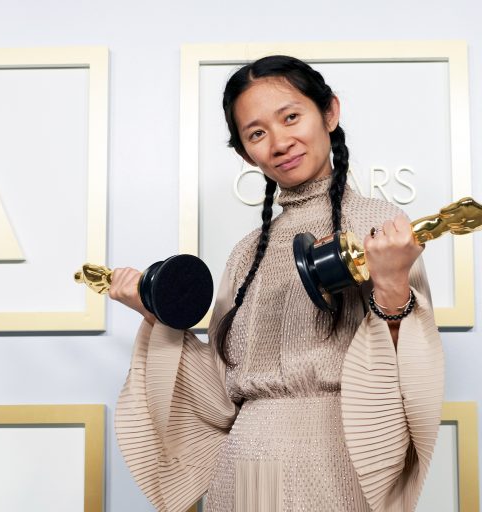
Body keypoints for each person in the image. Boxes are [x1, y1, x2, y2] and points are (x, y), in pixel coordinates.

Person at [110, 56, 445, 512]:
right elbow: (218, 391)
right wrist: (156, 315)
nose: (280, 142)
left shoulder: (380, 229)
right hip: (244, 471)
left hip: (339, 461)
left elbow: (408, 375)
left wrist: (390, 284)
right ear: (245, 153)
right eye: (257, 133)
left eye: (291, 117)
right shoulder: (246, 252)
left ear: (329, 112)